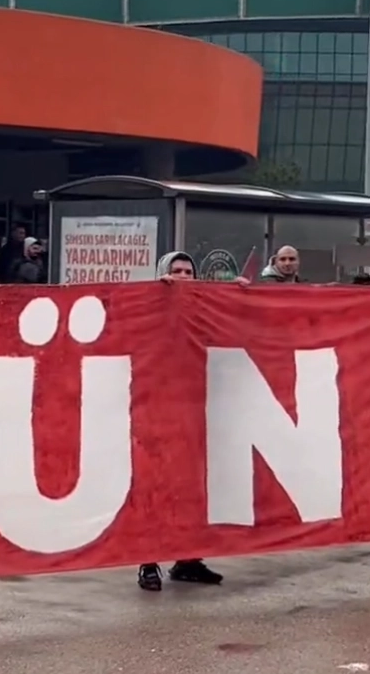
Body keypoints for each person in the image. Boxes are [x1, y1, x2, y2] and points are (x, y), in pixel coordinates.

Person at [137, 249, 226, 591]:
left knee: (193, 490)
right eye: (177, 271)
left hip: (195, 410)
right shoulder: (147, 307)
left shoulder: (202, 307)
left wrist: (239, 296)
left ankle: (188, 559)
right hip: (157, 411)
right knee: (155, 490)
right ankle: (148, 562)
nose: (183, 277)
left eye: (189, 272)